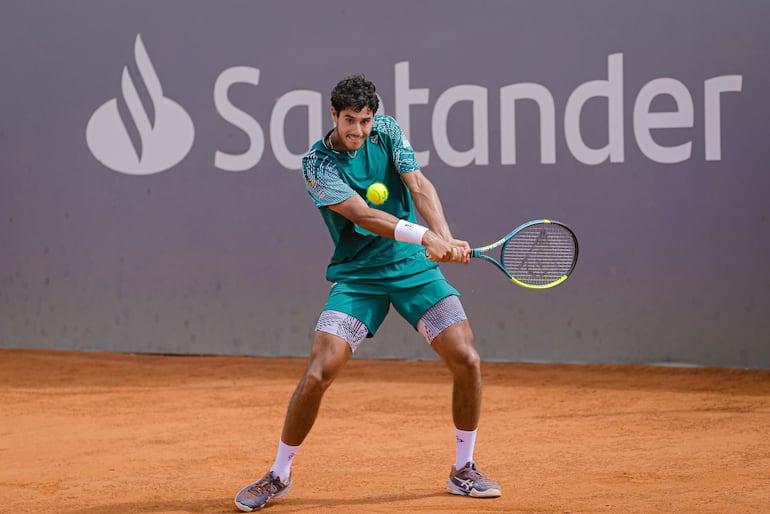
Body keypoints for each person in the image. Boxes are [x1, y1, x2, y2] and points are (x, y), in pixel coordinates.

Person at [234, 75, 501, 511]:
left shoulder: (388, 131)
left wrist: (445, 237)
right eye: (349, 121)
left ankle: (463, 469)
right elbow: (362, 214)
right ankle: (279, 474)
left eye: (364, 120)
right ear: (334, 117)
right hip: (360, 277)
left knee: (467, 359)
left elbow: (417, 184)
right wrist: (425, 237)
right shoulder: (316, 164)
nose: (358, 130)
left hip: (414, 269)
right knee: (320, 371)